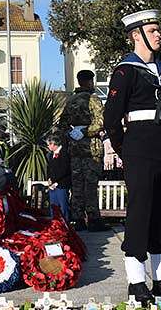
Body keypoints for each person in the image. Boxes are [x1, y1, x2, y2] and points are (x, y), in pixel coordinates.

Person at [103, 10, 161, 304]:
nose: (158, 34)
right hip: (137, 147)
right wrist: (125, 149)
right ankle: (137, 280)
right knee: (140, 213)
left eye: (158, 30)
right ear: (137, 36)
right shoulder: (125, 70)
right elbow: (111, 117)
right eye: (152, 30)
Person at [60, 69, 106, 231]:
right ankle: (93, 220)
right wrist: (86, 131)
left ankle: (78, 219)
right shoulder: (94, 99)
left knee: (77, 185)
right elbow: (100, 122)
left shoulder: (71, 100)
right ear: (90, 82)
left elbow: (62, 124)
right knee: (91, 185)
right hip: (91, 148)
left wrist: (72, 133)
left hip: (75, 148)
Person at [45, 133, 71, 221]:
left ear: (53, 144)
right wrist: (49, 179)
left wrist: (55, 181)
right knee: (53, 206)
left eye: (49, 144)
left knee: (63, 206)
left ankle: (65, 225)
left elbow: (64, 170)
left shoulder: (64, 153)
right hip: (52, 185)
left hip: (61, 184)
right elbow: (49, 168)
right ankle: (55, 225)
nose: (48, 146)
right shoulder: (50, 155)